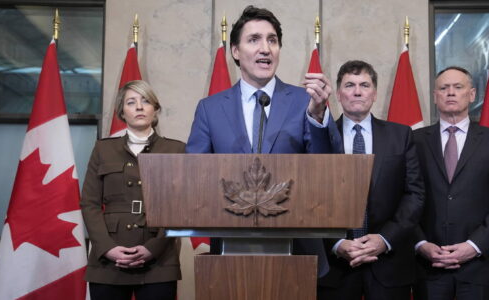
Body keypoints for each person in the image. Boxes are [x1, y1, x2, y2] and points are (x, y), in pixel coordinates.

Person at [186, 5, 340, 275]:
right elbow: (194, 175)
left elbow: (328, 166)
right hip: (231, 248)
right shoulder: (210, 109)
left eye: (272, 40)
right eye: (254, 39)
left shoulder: (306, 101)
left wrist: (317, 115)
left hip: (298, 249)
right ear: (235, 51)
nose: (265, 48)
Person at [317, 60, 424, 299]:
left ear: (374, 94)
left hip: (389, 263)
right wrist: (337, 243)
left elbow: (414, 195)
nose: (357, 91)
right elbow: (312, 198)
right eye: (349, 85)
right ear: (338, 94)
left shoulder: (401, 135)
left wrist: (385, 239)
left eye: (364, 85)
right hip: (336, 267)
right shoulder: (320, 138)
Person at [413, 66, 489, 300]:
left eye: (458, 87)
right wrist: (420, 243)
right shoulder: (414, 141)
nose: (450, 92)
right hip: (428, 268)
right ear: (435, 96)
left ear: (471, 95)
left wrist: (473, 246)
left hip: (479, 268)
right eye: (444, 88)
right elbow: (405, 198)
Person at [81, 80, 185, 300]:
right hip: (107, 260)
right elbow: (89, 203)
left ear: (155, 109)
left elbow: (180, 205)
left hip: (159, 259)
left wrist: (153, 248)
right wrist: (107, 248)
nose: (139, 107)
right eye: (131, 102)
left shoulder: (176, 149)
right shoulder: (103, 149)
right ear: (122, 112)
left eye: (145, 101)